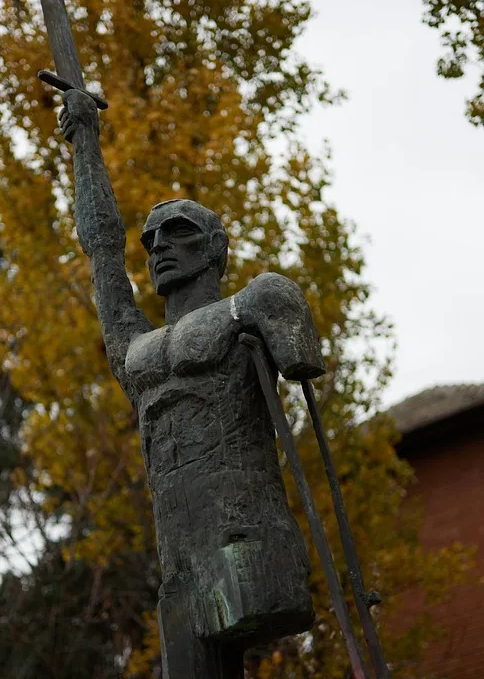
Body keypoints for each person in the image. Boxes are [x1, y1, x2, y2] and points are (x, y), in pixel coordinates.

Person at [59, 89, 326, 678]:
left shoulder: (252, 301)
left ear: (214, 248)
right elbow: (103, 253)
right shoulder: (137, 351)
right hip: (179, 560)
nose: (158, 248)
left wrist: (277, 317)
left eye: (177, 233)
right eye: (152, 240)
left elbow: (302, 361)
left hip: (246, 534)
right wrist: (85, 145)